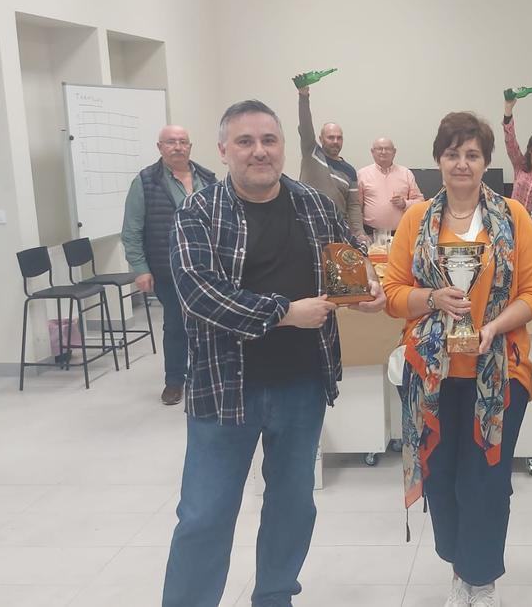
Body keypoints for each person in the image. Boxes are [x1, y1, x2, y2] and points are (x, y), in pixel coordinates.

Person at [162, 100, 386, 607]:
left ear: (283, 147)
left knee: (292, 506)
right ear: (223, 151)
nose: (259, 152)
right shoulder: (198, 213)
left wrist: (365, 288)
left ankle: (274, 596)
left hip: (301, 386)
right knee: (204, 515)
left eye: (269, 141)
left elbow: (345, 262)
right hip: (224, 392)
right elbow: (200, 295)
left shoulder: (314, 205)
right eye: (245, 142)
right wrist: (286, 311)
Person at [383, 111, 532, 607]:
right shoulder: (416, 218)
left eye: (472, 154)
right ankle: (460, 570)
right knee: (443, 476)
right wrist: (432, 299)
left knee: (486, 481)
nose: (461, 163)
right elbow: (393, 292)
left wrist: (493, 328)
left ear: (486, 162)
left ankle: (482, 582)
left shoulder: (513, 217)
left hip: (498, 372)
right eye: (452, 153)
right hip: (432, 375)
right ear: (438, 159)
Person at [121, 125, 218, 406]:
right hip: (168, 268)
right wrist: (140, 268)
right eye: (171, 142)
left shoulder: (208, 179)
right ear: (159, 147)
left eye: (182, 142)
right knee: (176, 325)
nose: (177, 147)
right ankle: (175, 381)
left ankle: (207, 376)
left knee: (209, 325)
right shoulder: (145, 181)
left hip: (207, 268)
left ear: (190, 146)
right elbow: (132, 229)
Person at [295, 80, 367, 241]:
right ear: (321, 138)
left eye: (339, 138)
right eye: (331, 137)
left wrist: (359, 232)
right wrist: (303, 96)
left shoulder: (349, 170)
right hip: (306, 228)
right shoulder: (311, 153)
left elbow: (353, 206)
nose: (335, 141)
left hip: (337, 232)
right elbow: (306, 126)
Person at [357, 137, 424, 236]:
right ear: (372, 152)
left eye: (387, 149)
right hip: (371, 233)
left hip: (401, 233)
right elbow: (357, 207)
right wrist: (359, 232)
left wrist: (405, 204)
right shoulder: (362, 174)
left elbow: (421, 202)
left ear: (394, 152)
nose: (383, 152)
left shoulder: (406, 173)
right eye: (379, 149)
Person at [503, 91, 532, 216]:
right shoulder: (520, 166)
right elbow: (510, 141)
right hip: (512, 219)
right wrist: (508, 109)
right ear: (530, 150)